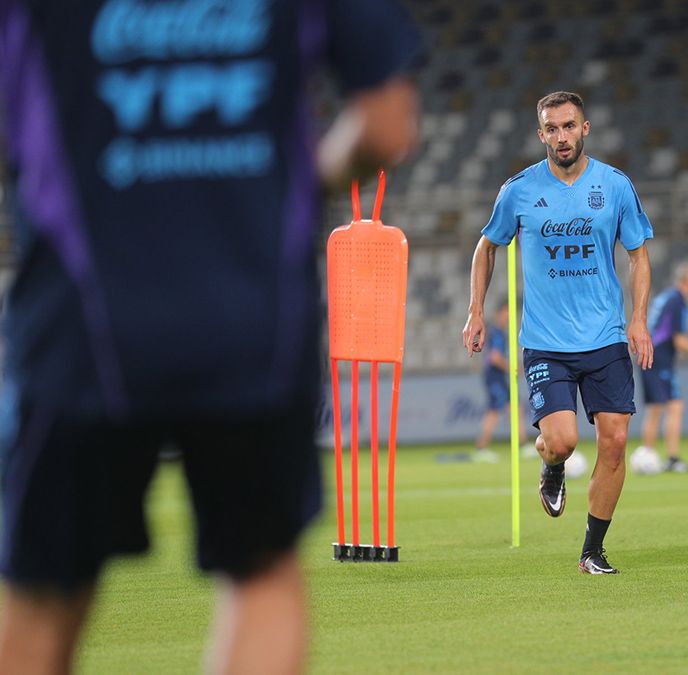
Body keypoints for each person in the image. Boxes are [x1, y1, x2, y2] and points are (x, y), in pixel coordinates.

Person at [0, 2, 423, 672]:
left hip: (83, 321)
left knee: (42, 590)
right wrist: (297, 181)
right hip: (251, 318)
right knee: (261, 573)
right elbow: (386, 125)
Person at [461, 91, 653, 575]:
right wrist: (476, 311)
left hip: (606, 335)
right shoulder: (519, 190)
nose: (561, 136)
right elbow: (486, 247)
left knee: (614, 443)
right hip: (546, 341)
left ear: (585, 128)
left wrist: (638, 318)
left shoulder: (615, 186)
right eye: (552, 128)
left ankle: (592, 551)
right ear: (541, 134)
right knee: (563, 441)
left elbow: (638, 255)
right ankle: (552, 464)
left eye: (569, 126)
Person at [636, 264, 688, 473]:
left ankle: (647, 456)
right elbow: (677, 338)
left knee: (655, 408)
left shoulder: (667, 297)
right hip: (660, 358)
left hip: (648, 354)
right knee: (674, 406)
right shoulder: (678, 300)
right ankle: (672, 458)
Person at [474, 303, 532, 462]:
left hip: (499, 376)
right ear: (499, 313)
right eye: (506, 313)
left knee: (516, 408)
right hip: (495, 376)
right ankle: (481, 448)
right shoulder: (496, 333)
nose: (508, 317)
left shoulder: (499, 332)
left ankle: (522, 444)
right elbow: (494, 357)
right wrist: (512, 368)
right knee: (494, 410)